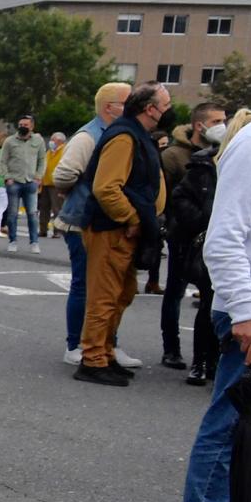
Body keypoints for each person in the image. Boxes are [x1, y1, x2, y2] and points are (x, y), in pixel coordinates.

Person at [178, 108, 251, 502]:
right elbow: (224, 238)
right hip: (247, 308)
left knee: (250, 426)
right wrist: (246, 310)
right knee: (228, 425)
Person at [74, 82, 170, 387]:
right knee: (104, 296)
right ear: (149, 109)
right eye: (165, 104)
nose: (169, 110)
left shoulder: (136, 135)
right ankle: (92, 359)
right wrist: (131, 217)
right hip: (111, 229)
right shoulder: (124, 136)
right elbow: (105, 187)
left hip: (127, 229)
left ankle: (106, 351)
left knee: (122, 293)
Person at [54, 82, 137, 368]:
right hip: (82, 222)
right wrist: (75, 189)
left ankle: (106, 344)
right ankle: (75, 344)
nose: (132, 106)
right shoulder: (88, 136)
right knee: (84, 285)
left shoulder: (119, 133)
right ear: (109, 107)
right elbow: (63, 173)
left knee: (109, 289)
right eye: (127, 101)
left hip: (104, 222)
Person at [160, 101, 227, 367]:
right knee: (175, 291)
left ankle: (207, 357)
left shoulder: (222, 153)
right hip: (183, 234)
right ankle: (171, 348)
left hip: (209, 237)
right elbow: (169, 194)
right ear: (200, 125)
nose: (222, 126)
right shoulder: (175, 155)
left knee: (209, 296)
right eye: (216, 121)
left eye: (224, 120)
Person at [0, 115, 45, 252]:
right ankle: (12, 240)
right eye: (21, 124)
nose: (23, 127)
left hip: (30, 181)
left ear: (32, 126)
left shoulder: (38, 141)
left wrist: (38, 176)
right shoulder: (10, 141)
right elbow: (2, 161)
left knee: (32, 213)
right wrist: (7, 177)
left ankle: (34, 242)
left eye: (26, 125)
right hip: (14, 181)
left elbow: (42, 160)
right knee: (12, 213)